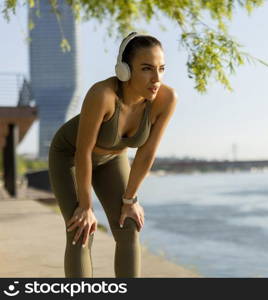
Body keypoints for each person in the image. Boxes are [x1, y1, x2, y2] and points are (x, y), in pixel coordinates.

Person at [48, 32, 177, 278]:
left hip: (113, 159)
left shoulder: (166, 99)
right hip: (70, 156)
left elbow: (146, 153)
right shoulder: (103, 95)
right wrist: (86, 207)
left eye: (162, 68)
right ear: (125, 70)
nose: (156, 78)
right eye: (147, 69)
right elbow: (83, 152)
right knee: (81, 230)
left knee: (129, 227)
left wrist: (130, 200)